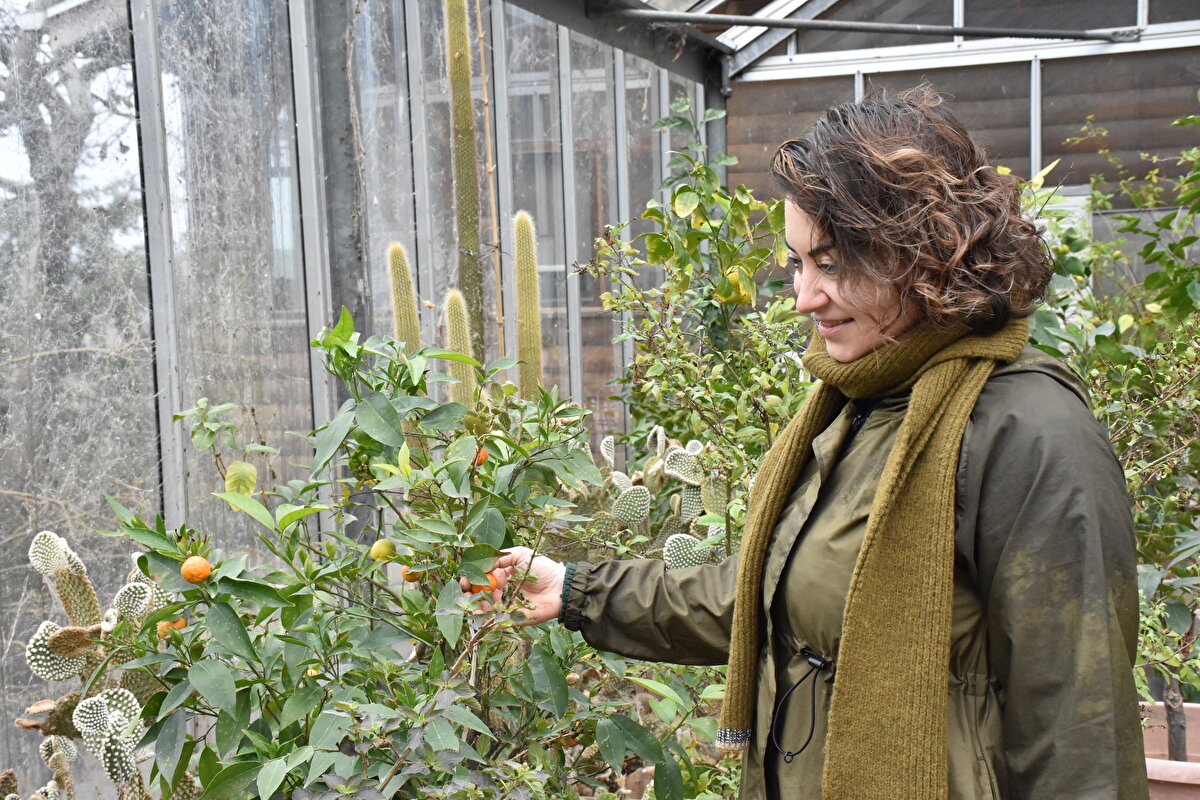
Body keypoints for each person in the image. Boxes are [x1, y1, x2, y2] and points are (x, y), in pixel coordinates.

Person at [484, 86, 1147, 799]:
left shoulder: (1030, 432)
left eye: (831, 264)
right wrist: (578, 590)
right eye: (798, 263)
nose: (803, 297)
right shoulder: (857, 405)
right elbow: (771, 595)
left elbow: (1081, 731)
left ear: (925, 252)